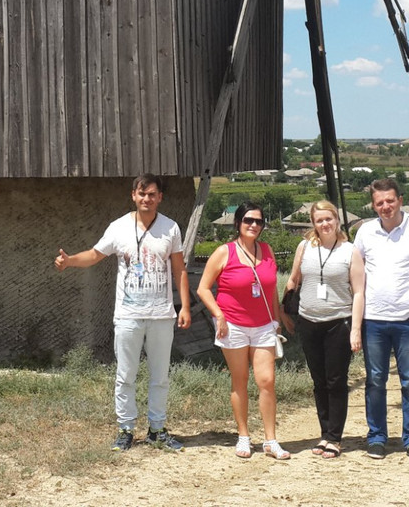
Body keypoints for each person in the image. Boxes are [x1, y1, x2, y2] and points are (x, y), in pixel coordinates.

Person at [55, 174, 191, 452]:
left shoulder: (170, 228)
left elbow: (179, 270)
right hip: (128, 314)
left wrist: (185, 306)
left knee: (160, 376)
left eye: (152, 194)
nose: (147, 199)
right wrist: (69, 261)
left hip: (161, 314)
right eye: (142, 194)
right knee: (125, 375)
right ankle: (126, 429)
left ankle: (157, 429)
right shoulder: (118, 227)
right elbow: (95, 255)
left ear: (160, 197)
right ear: (133, 195)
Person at [353, 178, 409, 461]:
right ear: (373, 204)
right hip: (373, 321)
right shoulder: (365, 232)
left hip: (407, 321)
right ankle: (377, 437)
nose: (385, 206)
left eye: (390, 200)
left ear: (400, 200)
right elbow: (356, 274)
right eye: (379, 202)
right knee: (375, 381)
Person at [197, 202, 290, 460]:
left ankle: (270, 440)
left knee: (267, 382)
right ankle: (243, 436)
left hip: (263, 327)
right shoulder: (224, 252)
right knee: (240, 381)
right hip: (233, 325)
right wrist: (219, 315)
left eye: (259, 221)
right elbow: (203, 288)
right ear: (238, 223)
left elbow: (270, 290)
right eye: (249, 220)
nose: (254, 225)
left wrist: (276, 319)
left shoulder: (267, 251)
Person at [281, 201, 365, 459]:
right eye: (319, 220)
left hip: (338, 323)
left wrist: (356, 330)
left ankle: (334, 437)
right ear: (313, 223)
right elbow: (294, 279)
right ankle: (324, 432)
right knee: (318, 382)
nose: (324, 224)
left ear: (336, 220)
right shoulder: (304, 247)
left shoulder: (350, 251)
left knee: (336, 381)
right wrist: (284, 312)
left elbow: (359, 292)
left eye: (328, 219)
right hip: (309, 322)